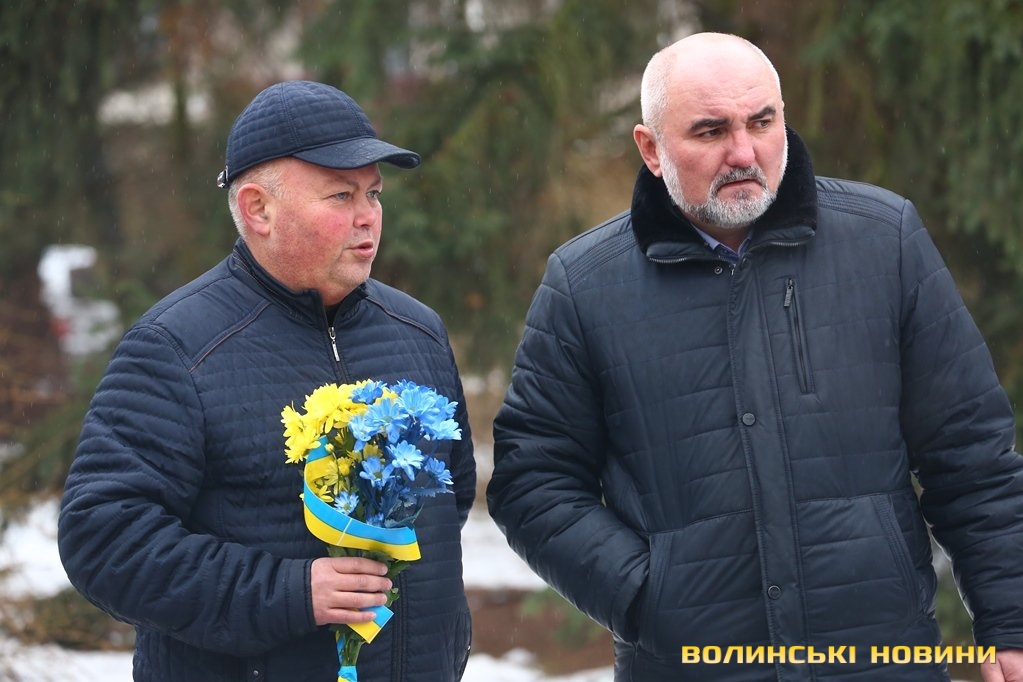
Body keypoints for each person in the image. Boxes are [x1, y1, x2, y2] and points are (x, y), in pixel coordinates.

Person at [487, 32, 1023, 682]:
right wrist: (647, 597)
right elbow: (533, 482)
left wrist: (1010, 621)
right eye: (710, 131)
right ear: (650, 149)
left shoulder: (884, 241)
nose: (743, 152)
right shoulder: (585, 284)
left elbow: (970, 455)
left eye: (761, 122)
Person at [58, 80, 476, 681]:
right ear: (258, 209)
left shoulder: (419, 331)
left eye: (374, 194)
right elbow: (104, 540)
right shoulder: (177, 347)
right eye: (341, 195)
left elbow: (447, 503)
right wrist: (290, 592)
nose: (368, 216)